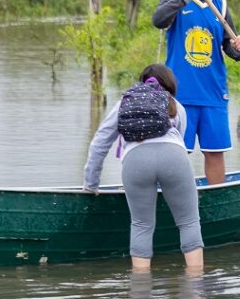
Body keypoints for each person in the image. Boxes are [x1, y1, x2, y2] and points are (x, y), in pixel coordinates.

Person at [83, 64, 204, 273]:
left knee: (141, 225)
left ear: (141, 82)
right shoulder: (176, 106)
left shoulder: (124, 102)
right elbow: (182, 145)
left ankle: (140, 293)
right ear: (171, 85)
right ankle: (195, 287)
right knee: (188, 222)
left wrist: (90, 185)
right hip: (173, 157)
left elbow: (100, 142)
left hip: (136, 162)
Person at [153, 0, 240, 185]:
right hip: (180, 96)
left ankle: (217, 199)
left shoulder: (221, 7)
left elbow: (231, 50)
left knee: (215, 153)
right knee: (176, 154)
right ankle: (174, 199)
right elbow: (158, 20)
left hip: (214, 95)